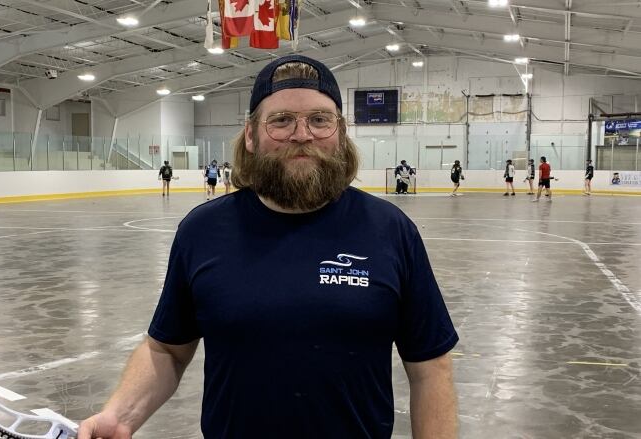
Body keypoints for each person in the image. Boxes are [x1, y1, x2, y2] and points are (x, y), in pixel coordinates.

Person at [77, 54, 459, 439]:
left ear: (340, 133)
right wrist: (120, 417)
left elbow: (430, 369)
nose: (302, 134)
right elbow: (167, 350)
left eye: (319, 119)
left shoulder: (391, 230)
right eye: (281, 120)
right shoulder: (202, 230)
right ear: (250, 134)